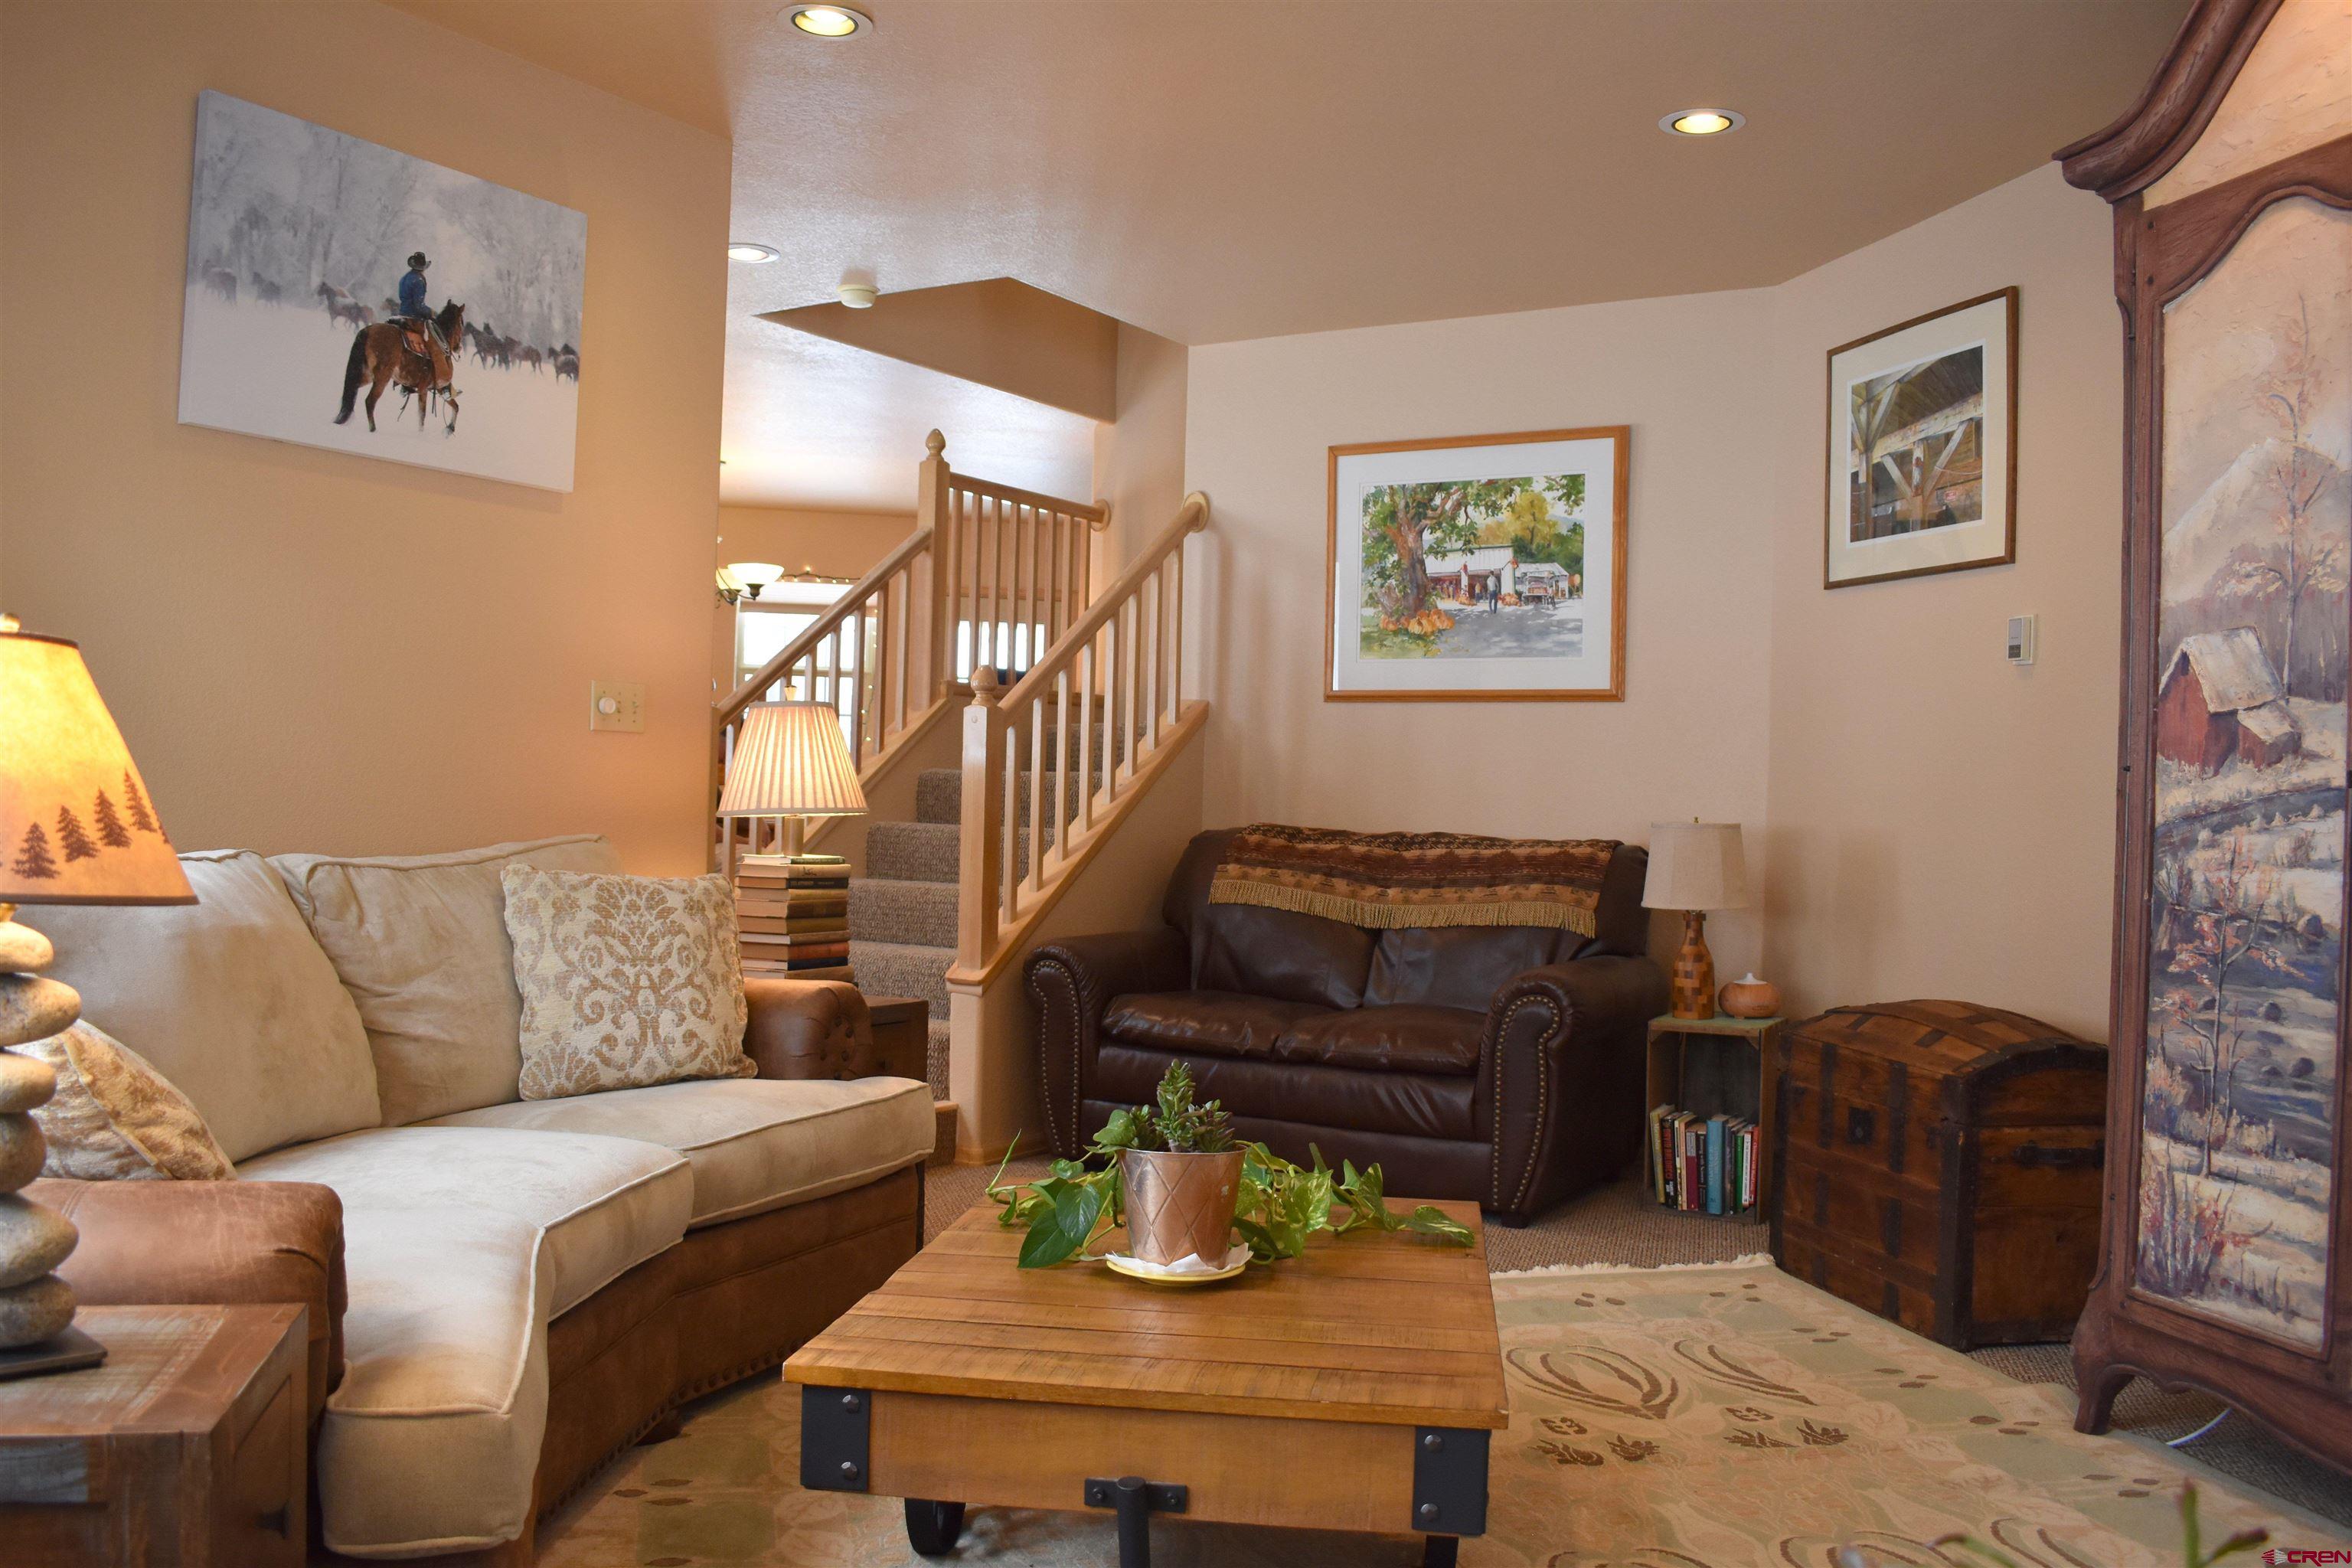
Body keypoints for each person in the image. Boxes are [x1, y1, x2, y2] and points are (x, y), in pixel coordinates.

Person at [390, 251, 450, 387]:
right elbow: (419, 305)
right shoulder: (419, 280)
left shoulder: (405, 278)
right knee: (436, 346)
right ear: (423, 268)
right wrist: (431, 312)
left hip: (402, 315)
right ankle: (440, 381)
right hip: (415, 319)